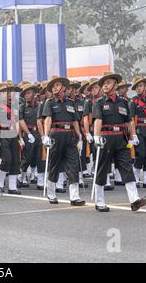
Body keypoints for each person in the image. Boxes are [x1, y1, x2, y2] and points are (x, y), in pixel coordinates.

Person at [92, 72, 146, 212]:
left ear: (115, 85)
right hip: (106, 138)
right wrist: (96, 136)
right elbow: (98, 120)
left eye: (108, 82)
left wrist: (133, 136)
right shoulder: (99, 102)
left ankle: (134, 200)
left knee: (127, 168)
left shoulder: (123, 102)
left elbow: (129, 121)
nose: (105, 85)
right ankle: (99, 202)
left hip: (121, 139)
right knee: (102, 170)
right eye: (104, 83)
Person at [42, 76, 85, 206]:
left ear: (64, 87)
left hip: (69, 135)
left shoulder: (70, 102)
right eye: (53, 86)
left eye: (57, 85)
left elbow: (75, 121)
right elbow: (48, 119)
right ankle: (51, 194)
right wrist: (45, 135)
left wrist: (80, 137)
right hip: (56, 135)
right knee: (54, 165)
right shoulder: (49, 102)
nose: (55, 88)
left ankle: (75, 197)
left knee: (73, 165)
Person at [0, 82, 22, 195]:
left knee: (16, 160)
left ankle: (12, 187)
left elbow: (17, 122)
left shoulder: (14, 106)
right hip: (3, 134)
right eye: (6, 92)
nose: (9, 94)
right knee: (6, 159)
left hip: (13, 135)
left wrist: (20, 137)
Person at [19, 83, 41, 188]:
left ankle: (40, 181)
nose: (27, 96)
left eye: (29, 93)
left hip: (38, 134)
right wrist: (27, 134)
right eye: (25, 94)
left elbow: (42, 120)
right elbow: (21, 121)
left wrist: (43, 135)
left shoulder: (40, 105)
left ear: (34, 93)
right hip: (28, 134)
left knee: (40, 157)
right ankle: (21, 177)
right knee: (27, 158)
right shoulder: (22, 107)